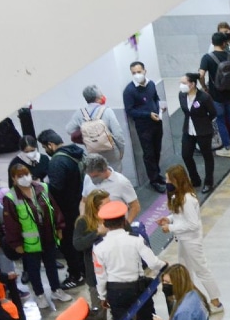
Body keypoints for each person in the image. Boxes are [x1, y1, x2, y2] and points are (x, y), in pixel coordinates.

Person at [92, 199, 165, 320]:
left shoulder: (99, 247)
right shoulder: (136, 239)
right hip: (139, 288)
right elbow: (153, 263)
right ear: (125, 221)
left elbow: (101, 276)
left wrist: (103, 296)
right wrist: (165, 266)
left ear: (105, 224)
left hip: (115, 291)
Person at [2, 160, 69, 311]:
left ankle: (56, 290)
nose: (24, 177)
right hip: (29, 242)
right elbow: (11, 223)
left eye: (26, 174)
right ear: (13, 179)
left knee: (51, 265)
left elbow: (55, 209)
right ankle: (39, 295)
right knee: (33, 270)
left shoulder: (42, 188)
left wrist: (59, 227)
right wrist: (16, 244)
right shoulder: (11, 197)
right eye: (20, 176)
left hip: (48, 236)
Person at [157, 166, 221, 307]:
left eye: (169, 179)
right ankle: (191, 298)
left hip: (191, 240)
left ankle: (215, 301)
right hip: (183, 240)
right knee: (184, 271)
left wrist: (171, 228)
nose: (166, 181)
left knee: (201, 270)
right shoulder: (177, 195)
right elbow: (180, 216)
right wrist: (169, 219)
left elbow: (193, 224)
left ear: (176, 180)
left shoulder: (188, 199)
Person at [38, 131, 87, 288]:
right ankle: (85, 270)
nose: (45, 150)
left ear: (50, 145)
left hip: (66, 210)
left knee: (68, 244)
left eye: (45, 147)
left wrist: (43, 186)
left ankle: (76, 274)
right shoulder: (77, 152)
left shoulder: (57, 162)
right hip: (81, 204)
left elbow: (56, 188)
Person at [122, 61, 166, 191]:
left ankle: (157, 175)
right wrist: (148, 114)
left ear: (144, 71)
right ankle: (153, 180)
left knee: (157, 150)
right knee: (149, 153)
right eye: (134, 73)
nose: (137, 75)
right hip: (144, 127)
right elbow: (130, 111)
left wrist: (160, 107)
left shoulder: (151, 84)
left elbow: (156, 98)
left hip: (157, 122)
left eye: (139, 72)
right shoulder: (129, 91)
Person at [198, 32, 230, 155]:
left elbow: (201, 75)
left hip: (216, 95)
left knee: (221, 120)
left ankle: (228, 148)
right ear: (225, 43)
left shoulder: (207, 58)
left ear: (212, 43)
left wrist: (203, 86)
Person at [64, 85, 126, 170]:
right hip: (111, 150)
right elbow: (118, 133)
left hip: (93, 151)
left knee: (99, 176)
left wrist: (86, 135)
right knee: (114, 175)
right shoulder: (107, 111)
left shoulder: (80, 113)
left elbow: (69, 129)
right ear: (98, 98)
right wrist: (121, 150)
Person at [177, 72, 218, 190]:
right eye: (181, 83)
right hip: (188, 130)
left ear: (193, 84)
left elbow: (213, 113)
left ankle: (208, 182)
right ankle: (195, 179)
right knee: (186, 155)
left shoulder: (204, 97)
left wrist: (204, 122)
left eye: (184, 83)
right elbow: (186, 111)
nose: (181, 85)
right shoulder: (182, 95)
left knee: (207, 156)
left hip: (203, 131)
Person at [74, 189, 110, 309]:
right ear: (95, 207)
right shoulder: (83, 222)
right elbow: (78, 244)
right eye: (107, 204)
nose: (111, 206)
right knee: (99, 310)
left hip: (115, 271)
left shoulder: (113, 217)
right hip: (95, 274)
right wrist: (97, 233)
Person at [82, 153, 139, 223]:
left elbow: (135, 206)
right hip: (95, 226)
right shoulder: (88, 178)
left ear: (104, 170)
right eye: (90, 176)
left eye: (95, 176)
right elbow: (84, 201)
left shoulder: (122, 183)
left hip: (115, 226)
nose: (92, 179)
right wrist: (83, 218)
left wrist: (127, 226)